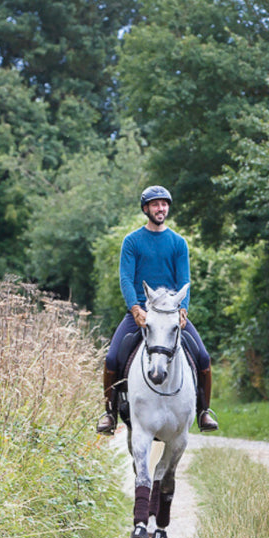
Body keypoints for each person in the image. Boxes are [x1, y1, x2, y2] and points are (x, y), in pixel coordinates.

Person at [97, 185, 219, 435]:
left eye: (164, 204)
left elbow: (184, 280)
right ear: (146, 209)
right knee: (112, 359)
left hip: (171, 313)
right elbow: (126, 279)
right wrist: (134, 309)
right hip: (141, 313)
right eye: (155, 204)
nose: (160, 208)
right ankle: (109, 413)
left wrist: (183, 309)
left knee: (204, 358)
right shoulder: (132, 242)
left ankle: (203, 411)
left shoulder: (178, 243)